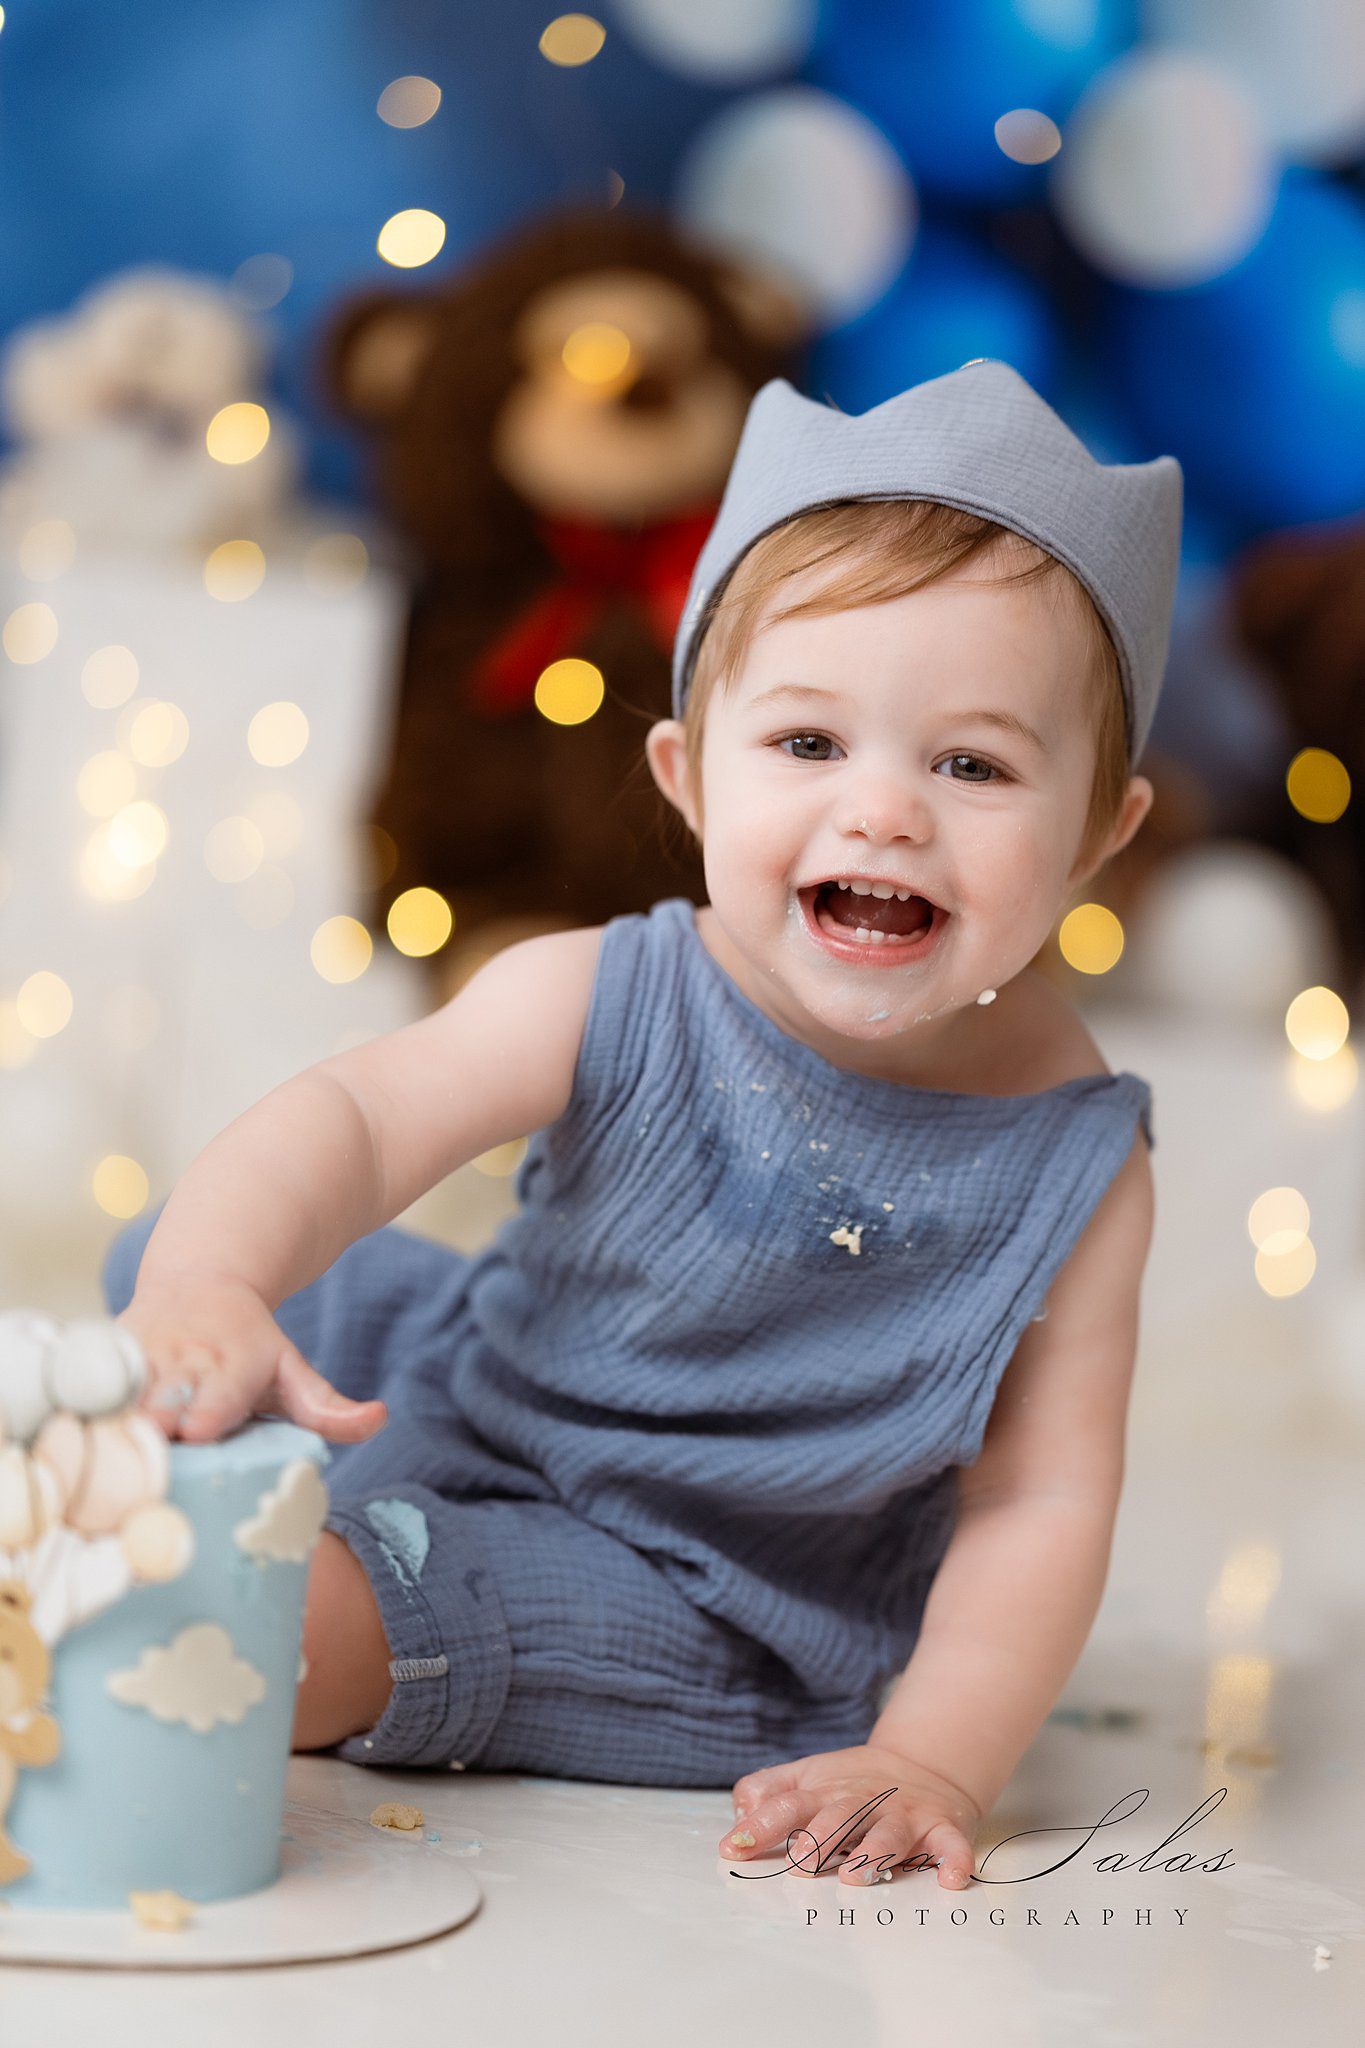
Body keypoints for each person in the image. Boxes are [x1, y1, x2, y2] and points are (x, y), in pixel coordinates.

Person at [102, 359, 1182, 1892]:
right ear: (687, 774)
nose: (882, 812)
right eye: (809, 744)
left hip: (699, 1593)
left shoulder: (1073, 1162)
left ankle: (169, 1600)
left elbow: (1040, 1496)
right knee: (195, 1252)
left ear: (1097, 835)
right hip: (477, 1388)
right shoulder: (601, 986)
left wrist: (930, 1750)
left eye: (971, 764)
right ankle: (192, 1422)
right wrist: (210, 1280)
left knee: (324, 1616)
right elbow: (356, 1116)